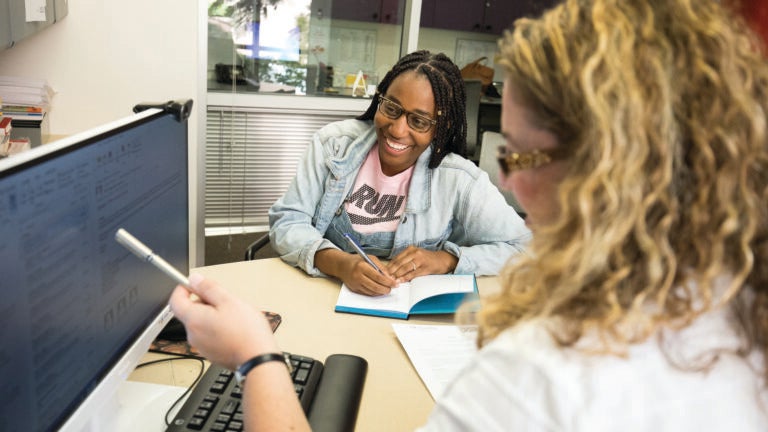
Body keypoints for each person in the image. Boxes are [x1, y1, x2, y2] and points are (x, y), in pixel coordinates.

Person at [170, 0, 768, 430]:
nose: (508, 178)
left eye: (523, 154)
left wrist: (255, 357)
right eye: (390, 108)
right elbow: (289, 222)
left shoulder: (534, 376)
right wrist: (334, 260)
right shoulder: (743, 317)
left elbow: (515, 245)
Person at [268, 50, 530, 296]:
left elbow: (526, 248)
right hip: (324, 293)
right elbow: (288, 220)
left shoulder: (459, 179)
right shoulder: (332, 145)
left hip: (409, 320)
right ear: (379, 99)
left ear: (442, 127)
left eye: (419, 121)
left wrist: (446, 260)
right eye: (391, 108)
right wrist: (340, 264)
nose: (397, 130)